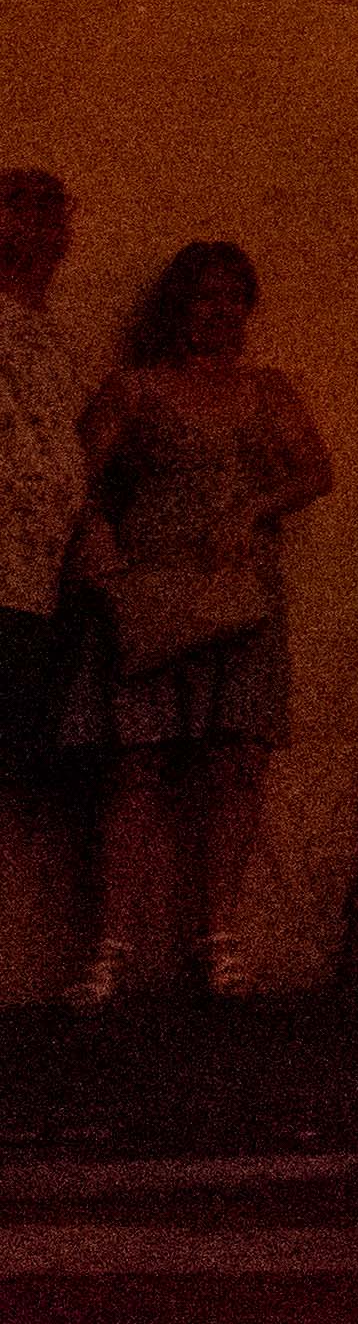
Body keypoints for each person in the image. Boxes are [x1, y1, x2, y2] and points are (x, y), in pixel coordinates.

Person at [58, 241, 333, 1004]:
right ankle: (108, 947)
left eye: (232, 296)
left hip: (237, 590)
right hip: (150, 589)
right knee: (134, 764)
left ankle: (219, 938)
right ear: (176, 306)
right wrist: (96, 530)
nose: (219, 311)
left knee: (236, 760)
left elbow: (316, 469)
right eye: (203, 296)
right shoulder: (135, 388)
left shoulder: (267, 390)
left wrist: (252, 507)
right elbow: (72, 470)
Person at [1, 169, 87, 973]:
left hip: (34, 579)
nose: (49, 229)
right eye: (25, 209)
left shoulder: (50, 335)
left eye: (55, 212)